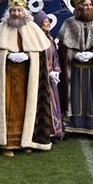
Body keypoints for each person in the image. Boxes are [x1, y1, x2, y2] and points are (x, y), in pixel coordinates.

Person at [0, 0, 52, 157]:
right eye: (13, 10)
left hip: (27, 80)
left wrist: (28, 56)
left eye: (19, 10)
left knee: (30, 107)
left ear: (24, 12)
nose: (16, 13)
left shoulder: (33, 29)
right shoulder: (1, 29)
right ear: (9, 12)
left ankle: (28, 141)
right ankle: (7, 144)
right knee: (6, 109)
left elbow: (39, 55)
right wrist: (7, 56)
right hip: (6, 80)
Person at [57, 0, 93, 138]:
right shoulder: (69, 23)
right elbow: (62, 47)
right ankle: (72, 126)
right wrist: (75, 54)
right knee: (74, 96)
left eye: (90, 4)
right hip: (74, 70)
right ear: (78, 7)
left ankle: (92, 126)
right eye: (84, 5)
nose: (88, 7)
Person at [34, 10, 64, 140]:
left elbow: (55, 56)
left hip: (51, 77)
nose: (47, 24)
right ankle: (45, 131)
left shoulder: (50, 38)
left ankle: (55, 130)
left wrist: (56, 71)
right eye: (45, 22)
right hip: (41, 77)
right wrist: (47, 72)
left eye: (48, 22)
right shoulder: (36, 39)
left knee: (54, 103)